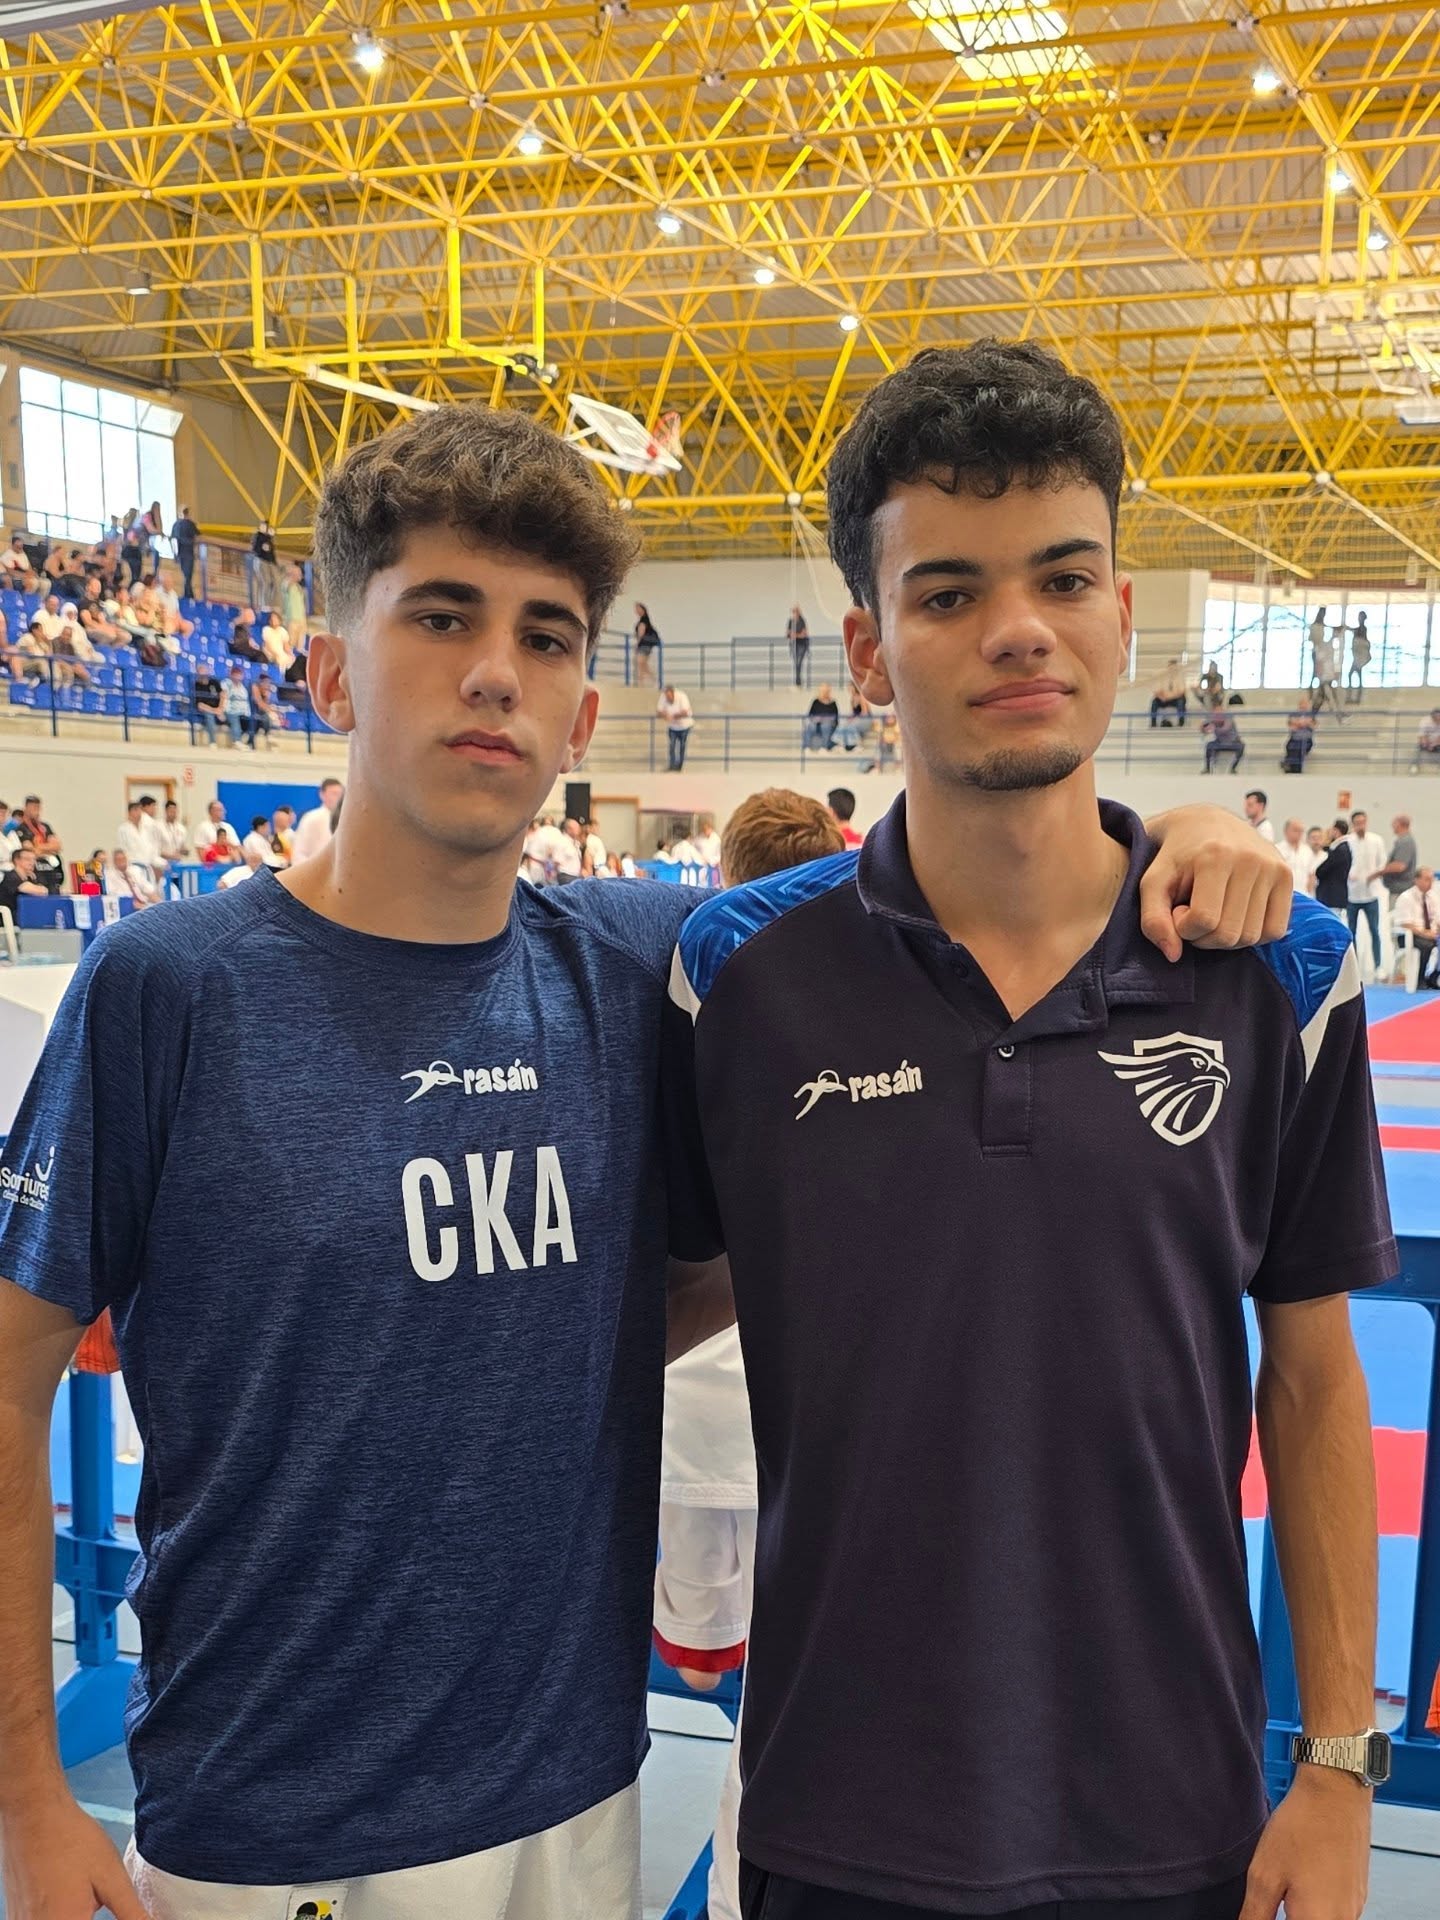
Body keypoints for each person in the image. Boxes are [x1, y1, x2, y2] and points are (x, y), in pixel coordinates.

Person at [0, 397, 1294, 1920]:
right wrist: (25, 1794)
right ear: (331, 670)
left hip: (575, 1801)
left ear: (584, 716)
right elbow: (10, 1381)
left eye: (547, 636)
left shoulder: (646, 966)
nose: (497, 670)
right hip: (268, 1817)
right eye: (441, 616)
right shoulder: (171, 988)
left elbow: (946, 904)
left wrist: (1187, 836)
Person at [663, 339, 1390, 1920]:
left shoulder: (1280, 979)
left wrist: (1339, 1763)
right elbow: (636, 1307)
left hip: (1172, 1810)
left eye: (1063, 579)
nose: (1018, 629)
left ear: (1122, 614)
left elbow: (1316, 1372)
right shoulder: (736, 977)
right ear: (867, 650)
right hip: (834, 1811)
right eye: (948, 593)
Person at [655, 787, 846, 1920]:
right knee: (792, 1685)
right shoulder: (869, 990)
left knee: (700, 1653)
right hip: (799, 1425)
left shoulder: (685, 978)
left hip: (688, 1409)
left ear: (725, 873)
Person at [1345, 808, 1387, 979]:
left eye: (1363, 822)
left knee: (1374, 930)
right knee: (1351, 931)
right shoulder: (1348, 841)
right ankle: (1353, 967)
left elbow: (1382, 863)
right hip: (1352, 894)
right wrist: (1348, 874)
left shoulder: (1376, 840)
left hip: (1371, 893)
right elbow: (1343, 864)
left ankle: (1378, 965)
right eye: (1357, 823)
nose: (1360, 826)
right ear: (1353, 824)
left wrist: (1374, 875)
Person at [8, 794, 63, 893]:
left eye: (38, 807)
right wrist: (49, 849)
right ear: (26, 808)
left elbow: (57, 846)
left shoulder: (45, 826)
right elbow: (30, 850)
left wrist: (39, 848)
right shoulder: (21, 828)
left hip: (51, 869)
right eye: (33, 807)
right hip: (37, 869)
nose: (36, 810)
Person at [1392, 867, 1437, 989]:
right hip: (1408, 935)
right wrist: (1425, 933)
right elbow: (1405, 924)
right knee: (1426, 945)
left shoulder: (1433, 897)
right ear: (1417, 880)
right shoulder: (1406, 897)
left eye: (1431, 880)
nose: (1430, 883)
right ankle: (1419, 979)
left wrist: (1434, 931)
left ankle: (1434, 977)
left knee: (1433, 942)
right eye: (1427, 879)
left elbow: (1436, 918)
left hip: (1428, 934)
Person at [292, 777, 344, 862]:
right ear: (322, 795)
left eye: (340, 794)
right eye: (334, 793)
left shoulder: (344, 819)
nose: (338, 798)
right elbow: (299, 852)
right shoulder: (312, 818)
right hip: (314, 866)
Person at [1381, 813, 1417, 910]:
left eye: (1394, 823)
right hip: (1398, 889)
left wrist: (1379, 871)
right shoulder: (1402, 841)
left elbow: (1400, 866)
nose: (1392, 826)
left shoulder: (1405, 842)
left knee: (1397, 916)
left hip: (1400, 890)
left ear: (1399, 824)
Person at [0, 846, 47, 919]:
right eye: (28, 859)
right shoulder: (10, 876)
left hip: (24, 916)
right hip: (7, 919)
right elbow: (36, 890)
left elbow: (44, 891)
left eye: (34, 859)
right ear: (17, 860)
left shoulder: (31, 877)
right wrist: (38, 887)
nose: (32, 863)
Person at [1275, 818, 1316, 895]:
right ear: (1286, 831)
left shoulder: (1307, 851)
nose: (1299, 833)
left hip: (1303, 893)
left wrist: (1309, 892)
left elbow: (1311, 874)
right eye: (1295, 830)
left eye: (1301, 831)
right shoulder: (1278, 849)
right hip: (1283, 894)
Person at [1201, 697, 1243, 771]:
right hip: (1220, 742)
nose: (1218, 713)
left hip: (1232, 742)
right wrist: (1203, 727)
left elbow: (1225, 729)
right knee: (1209, 746)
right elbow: (1204, 729)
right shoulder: (1213, 719)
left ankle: (1233, 768)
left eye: (1219, 710)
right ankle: (1207, 768)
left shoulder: (1228, 718)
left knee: (1241, 746)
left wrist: (1213, 727)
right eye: (1216, 711)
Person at [658, 682, 694, 770]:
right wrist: (664, 715)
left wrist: (672, 716)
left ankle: (679, 766)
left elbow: (685, 712)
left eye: (669, 696)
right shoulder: (663, 697)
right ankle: (672, 765)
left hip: (684, 726)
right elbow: (659, 711)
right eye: (666, 696)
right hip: (672, 727)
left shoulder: (682, 696)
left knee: (682, 746)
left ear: (673, 693)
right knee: (672, 746)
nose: (668, 698)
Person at [193, 798, 241, 862]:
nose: (224, 812)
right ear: (212, 811)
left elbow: (237, 847)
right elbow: (200, 851)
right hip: (211, 864)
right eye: (221, 810)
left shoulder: (228, 827)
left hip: (230, 863)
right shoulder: (202, 827)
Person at [249, 517, 280, 612]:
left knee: (272, 583)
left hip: (268, 562)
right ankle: (264, 604)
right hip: (261, 560)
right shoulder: (258, 536)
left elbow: (271, 552)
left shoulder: (267, 539)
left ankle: (268, 603)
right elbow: (256, 549)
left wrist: (274, 563)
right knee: (265, 582)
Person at [170, 505, 199, 599]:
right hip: (188, 552)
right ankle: (188, 595)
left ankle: (188, 594)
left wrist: (175, 554)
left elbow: (173, 540)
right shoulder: (190, 524)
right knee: (188, 575)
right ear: (187, 513)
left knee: (185, 574)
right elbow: (197, 536)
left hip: (180, 553)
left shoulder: (175, 525)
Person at [1149, 657, 1187, 727]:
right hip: (1163, 699)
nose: (1172, 669)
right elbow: (1157, 690)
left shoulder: (1180, 677)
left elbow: (1181, 692)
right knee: (1154, 702)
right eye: (1170, 667)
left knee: (1181, 702)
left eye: (1174, 667)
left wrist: (1170, 697)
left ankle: (1181, 723)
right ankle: (1153, 723)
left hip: (1175, 699)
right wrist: (1161, 697)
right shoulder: (1162, 676)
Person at [222, 663, 254, 747]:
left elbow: (245, 702)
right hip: (230, 710)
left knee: (251, 720)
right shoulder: (226, 683)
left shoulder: (243, 688)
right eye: (235, 674)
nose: (237, 677)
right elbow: (224, 697)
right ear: (231, 675)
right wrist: (222, 710)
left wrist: (247, 713)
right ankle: (236, 741)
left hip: (242, 712)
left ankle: (249, 742)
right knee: (234, 717)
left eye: (239, 674)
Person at [1281, 692, 1314, 772]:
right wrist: (1303, 723)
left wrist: (1299, 723)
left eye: (1305, 703)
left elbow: (1313, 725)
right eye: (1302, 703)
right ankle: (1293, 767)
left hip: (1306, 739)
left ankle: (1289, 764)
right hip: (1295, 738)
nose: (1304, 705)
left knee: (1299, 747)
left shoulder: (1311, 715)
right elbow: (1292, 725)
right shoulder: (1294, 714)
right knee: (1291, 746)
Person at [803, 682, 840, 751]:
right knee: (810, 725)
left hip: (828, 725)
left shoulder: (833, 703)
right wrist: (817, 719)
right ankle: (806, 747)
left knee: (825, 725)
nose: (824, 693)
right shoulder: (816, 701)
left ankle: (824, 747)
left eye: (826, 691)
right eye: (823, 691)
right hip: (816, 724)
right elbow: (810, 715)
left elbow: (835, 717)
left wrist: (825, 719)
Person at [192, 666, 224, 745]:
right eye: (201, 673)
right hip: (207, 710)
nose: (203, 675)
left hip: (218, 709)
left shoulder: (214, 682)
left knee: (233, 715)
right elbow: (200, 705)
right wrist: (215, 711)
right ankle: (213, 742)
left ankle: (238, 741)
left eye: (205, 672)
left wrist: (220, 708)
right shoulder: (197, 685)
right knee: (209, 716)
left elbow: (223, 694)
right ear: (198, 674)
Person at [250, 672, 281, 747]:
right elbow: (259, 704)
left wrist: (266, 695)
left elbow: (265, 705)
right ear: (261, 682)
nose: (268, 684)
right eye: (266, 682)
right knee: (268, 716)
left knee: (272, 716)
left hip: (261, 713)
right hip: (252, 710)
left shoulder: (267, 691)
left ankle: (270, 736)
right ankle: (268, 736)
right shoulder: (255, 687)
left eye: (269, 682)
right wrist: (270, 710)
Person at [283, 560, 308, 652]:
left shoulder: (298, 587)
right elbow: (287, 584)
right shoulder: (287, 584)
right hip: (292, 619)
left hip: (301, 618)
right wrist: (292, 572)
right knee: (291, 643)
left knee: (300, 644)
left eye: (300, 573)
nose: (300, 575)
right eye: (298, 573)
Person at [838, 684, 872, 751]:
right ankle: (845, 745)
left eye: (851, 688)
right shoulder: (852, 699)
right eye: (849, 688)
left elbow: (864, 712)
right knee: (844, 724)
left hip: (865, 719)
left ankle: (858, 744)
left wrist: (855, 719)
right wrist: (849, 720)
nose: (850, 690)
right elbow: (852, 714)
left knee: (852, 725)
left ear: (855, 688)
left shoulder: (861, 697)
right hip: (857, 719)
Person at [633, 600, 660, 684]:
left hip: (643, 645)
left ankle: (646, 681)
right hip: (647, 645)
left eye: (638, 608)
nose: (636, 611)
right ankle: (650, 680)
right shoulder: (646, 620)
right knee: (643, 664)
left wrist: (637, 644)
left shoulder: (643, 621)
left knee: (640, 663)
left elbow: (641, 633)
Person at [158, 800, 190, 868]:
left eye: (175, 812)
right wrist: (171, 856)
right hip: (162, 864)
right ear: (166, 811)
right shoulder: (158, 827)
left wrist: (185, 851)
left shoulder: (181, 828)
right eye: (171, 811)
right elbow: (156, 850)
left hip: (178, 864)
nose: (173, 814)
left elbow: (182, 846)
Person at [1346, 611, 1369, 703]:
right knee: (1356, 676)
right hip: (1357, 657)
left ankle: (1353, 696)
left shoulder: (1362, 629)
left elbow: (1360, 640)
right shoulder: (1360, 629)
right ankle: (1355, 696)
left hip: (1358, 658)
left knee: (1352, 675)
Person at [786, 605, 809, 687]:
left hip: (802, 645)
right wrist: (794, 635)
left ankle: (798, 681)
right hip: (793, 645)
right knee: (796, 663)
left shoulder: (802, 621)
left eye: (796, 611)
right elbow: (788, 634)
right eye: (793, 612)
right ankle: (797, 681)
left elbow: (804, 634)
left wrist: (795, 635)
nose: (794, 613)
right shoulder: (791, 621)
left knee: (799, 662)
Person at [1413, 707, 1440, 771]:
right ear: (1432, 717)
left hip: (1436, 742)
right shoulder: (1425, 721)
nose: (1439, 720)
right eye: (1437, 718)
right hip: (1425, 741)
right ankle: (1414, 765)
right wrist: (1427, 744)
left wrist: (1434, 744)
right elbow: (1422, 736)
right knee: (1418, 748)